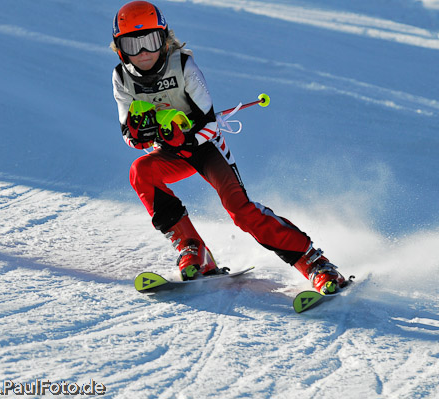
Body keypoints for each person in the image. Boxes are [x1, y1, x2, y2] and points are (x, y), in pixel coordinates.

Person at [110, 1, 347, 294]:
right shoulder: (121, 77)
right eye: (133, 44)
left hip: (207, 148)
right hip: (172, 153)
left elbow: (209, 124)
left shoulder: (183, 65)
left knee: (240, 211)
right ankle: (194, 250)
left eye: (150, 40)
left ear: (164, 38)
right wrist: (141, 134)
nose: (143, 52)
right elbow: (129, 135)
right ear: (120, 48)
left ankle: (315, 263)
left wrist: (182, 138)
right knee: (140, 171)